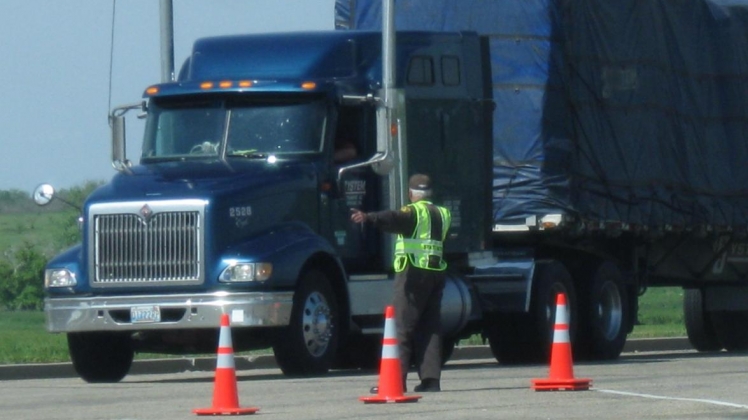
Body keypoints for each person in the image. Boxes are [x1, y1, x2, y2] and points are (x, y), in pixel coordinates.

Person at [350, 174, 451, 393]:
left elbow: (394, 218)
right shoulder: (443, 214)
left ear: (411, 194)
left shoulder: (413, 211)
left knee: (401, 326)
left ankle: (395, 380)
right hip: (436, 273)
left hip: (413, 273)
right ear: (430, 193)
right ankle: (431, 380)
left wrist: (368, 217)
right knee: (430, 327)